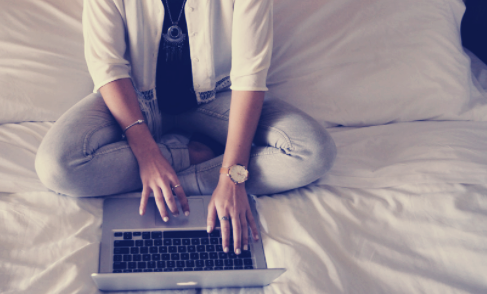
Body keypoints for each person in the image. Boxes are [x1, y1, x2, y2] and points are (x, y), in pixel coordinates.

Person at [36, 0, 336, 256]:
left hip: (218, 99)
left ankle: (192, 174)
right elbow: (108, 66)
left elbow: (250, 76)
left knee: (312, 151)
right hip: (133, 100)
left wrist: (233, 177)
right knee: (57, 167)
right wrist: (146, 154)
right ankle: (193, 156)